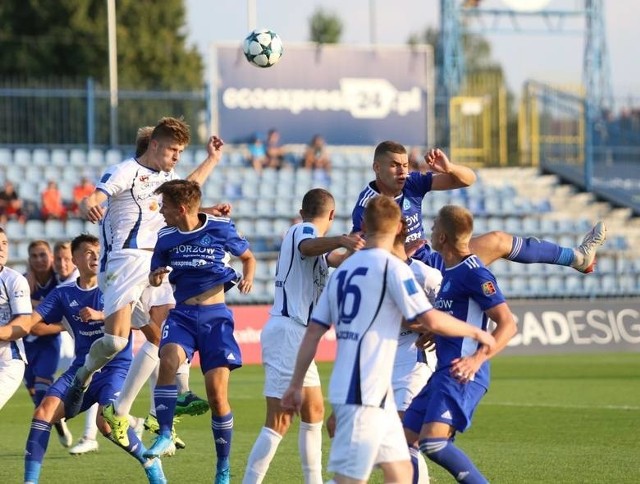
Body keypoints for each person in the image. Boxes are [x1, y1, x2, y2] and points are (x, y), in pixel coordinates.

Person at [281, 195, 496, 484]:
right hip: (364, 394)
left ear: (364, 227)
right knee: (349, 480)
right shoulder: (394, 268)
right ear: (397, 228)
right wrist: (476, 332)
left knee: (401, 472)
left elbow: (314, 333)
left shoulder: (342, 272)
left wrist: (296, 383)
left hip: (374, 392)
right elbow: (429, 320)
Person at [63, 117, 228, 437]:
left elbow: (188, 192)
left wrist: (212, 161)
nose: (177, 156)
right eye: (172, 150)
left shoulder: (168, 177)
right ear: (155, 145)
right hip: (123, 262)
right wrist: (90, 204)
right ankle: (82, 377)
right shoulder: (126, 170)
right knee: (114, 341)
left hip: (155, 263)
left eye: (181, 151)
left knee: (166, 332)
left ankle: (177, 395)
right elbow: (96, 196)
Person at [0, 234, 168, 484]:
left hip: (115, 369)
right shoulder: (63, 294)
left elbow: (150, 332)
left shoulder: (118, 288)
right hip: (81, 369)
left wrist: (105, 315)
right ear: (75, 258)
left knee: (108, 424)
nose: (94, 256)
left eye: (97, 251)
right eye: (88, 252)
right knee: (43, 413)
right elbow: (28, 324)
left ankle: (150, 462)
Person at [243, 188, 365, 484]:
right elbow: (308, 247)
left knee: (314, 412)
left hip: (295, 334)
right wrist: (341, 239)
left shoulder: (315, 243)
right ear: (332, 215)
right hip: (288, 330)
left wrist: (356, 248)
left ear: (301, 209)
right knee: (280, 419)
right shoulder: (303, 231)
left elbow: (335, 259)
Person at [142, 179, 256, 484]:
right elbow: (155, 277)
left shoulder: (220, 228)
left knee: (217, 397)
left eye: (164, 206)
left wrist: (248, 277)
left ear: (180, 209)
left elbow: (248, 256)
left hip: (215, 317)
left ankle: (222, 467)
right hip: (181, 315)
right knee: (167, 359)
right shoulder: (165, 237)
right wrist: (155, 277)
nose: (161, 211)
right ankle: (165, 433)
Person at [351, 141, 606, 274]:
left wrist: (449, 169)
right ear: (377, 167)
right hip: (412, 274)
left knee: (499, 240)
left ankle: (578, 258)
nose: (403, 171)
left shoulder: (412, 183)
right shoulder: (367, 206)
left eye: (405, 165)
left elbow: (468, 179)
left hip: (436, 262)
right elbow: (364, 252)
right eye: (395, 165)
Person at [403, 205, 518, 483]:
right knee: (401, 441)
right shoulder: (451, 272)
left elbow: (508, 324)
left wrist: (476, 360)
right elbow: (458, 315)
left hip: (462, 373)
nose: (429, 229)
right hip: (443, 373)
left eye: (433, 226)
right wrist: (436, 333)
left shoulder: (475, 273)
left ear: (442, 237)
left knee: (434, 443)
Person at [22, 240, 74, 448]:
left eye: (43, 255)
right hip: (25, 344)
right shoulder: (24, 281)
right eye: (34, 256)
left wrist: (32, 303)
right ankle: (57, 421)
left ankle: (38, 444)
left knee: (43, 388)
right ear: (29, 260)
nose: (39, 260)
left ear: (51, 257)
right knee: (35, 395)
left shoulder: (58, 279)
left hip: (48, 343)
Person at [0, 227, 33, 411]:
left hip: (7, 361)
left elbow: (23, 326)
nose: (1, 248)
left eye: (4, 243)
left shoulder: (14, 280)